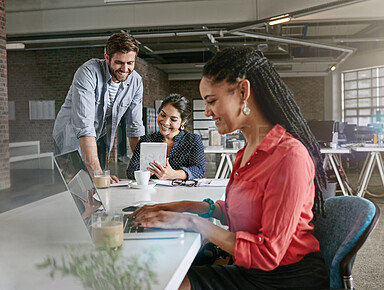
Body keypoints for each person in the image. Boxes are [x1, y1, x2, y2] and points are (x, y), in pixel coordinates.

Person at [131, 47, 330, 289]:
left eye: (212, 101)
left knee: (161, 282)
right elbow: (240, 212)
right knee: (157, 271)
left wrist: (192, 222)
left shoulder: (289, 156)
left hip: (282, 279)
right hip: (250, 268)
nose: (206, 112)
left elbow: (267, 254)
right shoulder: (248, 150)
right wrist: (182, 206)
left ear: (243, 92)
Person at [53, 32, 145, 183]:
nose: (125, 69)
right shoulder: (88, 73)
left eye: (130, 63)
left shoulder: (135, 81)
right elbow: (84, 127)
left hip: (99, 136)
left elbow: (135, 128)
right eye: (119, 62)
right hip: (70, 135)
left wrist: (144, 168)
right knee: (81, 190)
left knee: (101, 188)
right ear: (107, 57)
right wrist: (99, 175)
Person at [126, 93, 205, 180]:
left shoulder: (193, 140)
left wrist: (174, 174)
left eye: (173, 119)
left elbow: (198, 170)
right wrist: (148, 172)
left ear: (183, 122)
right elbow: (131, 171)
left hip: (181, 191)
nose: (165, 122)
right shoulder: (146, 140)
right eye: (163, 115)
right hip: (151, 191)